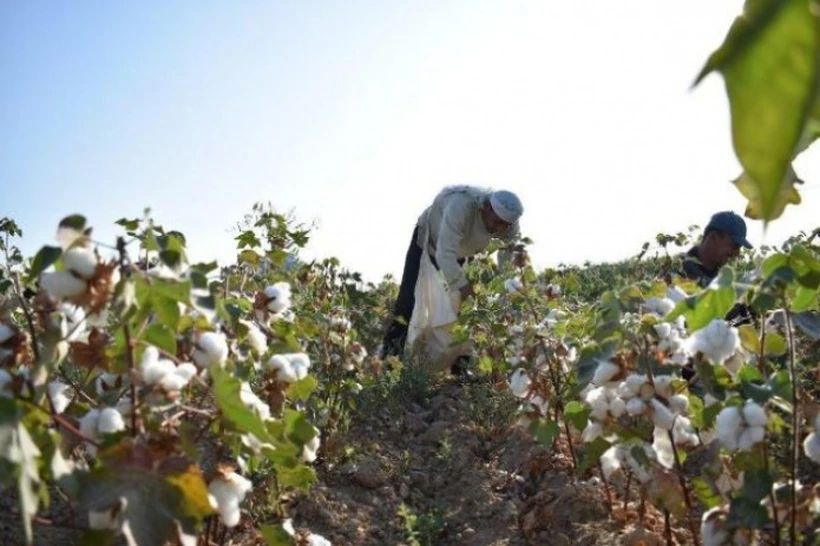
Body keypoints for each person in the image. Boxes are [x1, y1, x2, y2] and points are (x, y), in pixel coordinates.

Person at [380, 185, 524, 367]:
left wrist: (507, 287)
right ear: (486, 208)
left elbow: (509, 256)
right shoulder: (460, 206)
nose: (500, 228)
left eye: (505, 225)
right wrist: (463, 288)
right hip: (429, 243)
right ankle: (389, 362)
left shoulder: (508, 221)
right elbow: (444, 254)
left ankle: (462, 368)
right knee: (409, 301)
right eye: (497, 222)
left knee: (465, 311)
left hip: (465, 252)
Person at [681, 211, 752, 288]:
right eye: (734, 246)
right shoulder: (675, 272)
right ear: (714, 237)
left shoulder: (723, 283)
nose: (737, 253)